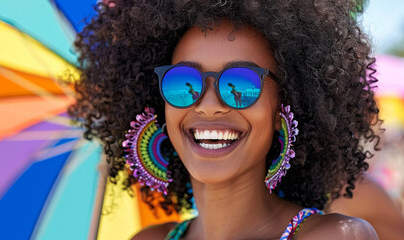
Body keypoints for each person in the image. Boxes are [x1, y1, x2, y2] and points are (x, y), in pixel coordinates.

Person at [69, 0, 381, 239]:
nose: (208, 105)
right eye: (183, 82)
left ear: (281, 107)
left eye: (242, 84)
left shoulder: (336, 236)